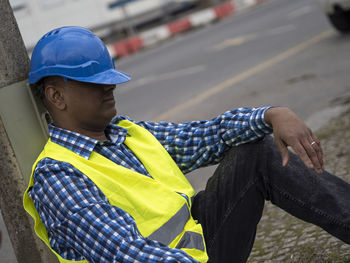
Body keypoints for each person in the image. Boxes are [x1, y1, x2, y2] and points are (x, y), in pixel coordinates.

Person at [23, 26, 350, 263]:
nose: (110, 88)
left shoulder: (127, 134)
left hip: (201, 245)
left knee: (258, 149)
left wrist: (271, 115)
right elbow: (128, 255)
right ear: (56, 96)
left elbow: (209, 135)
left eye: (110, 79)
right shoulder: (58, 176)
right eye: (96, 82)